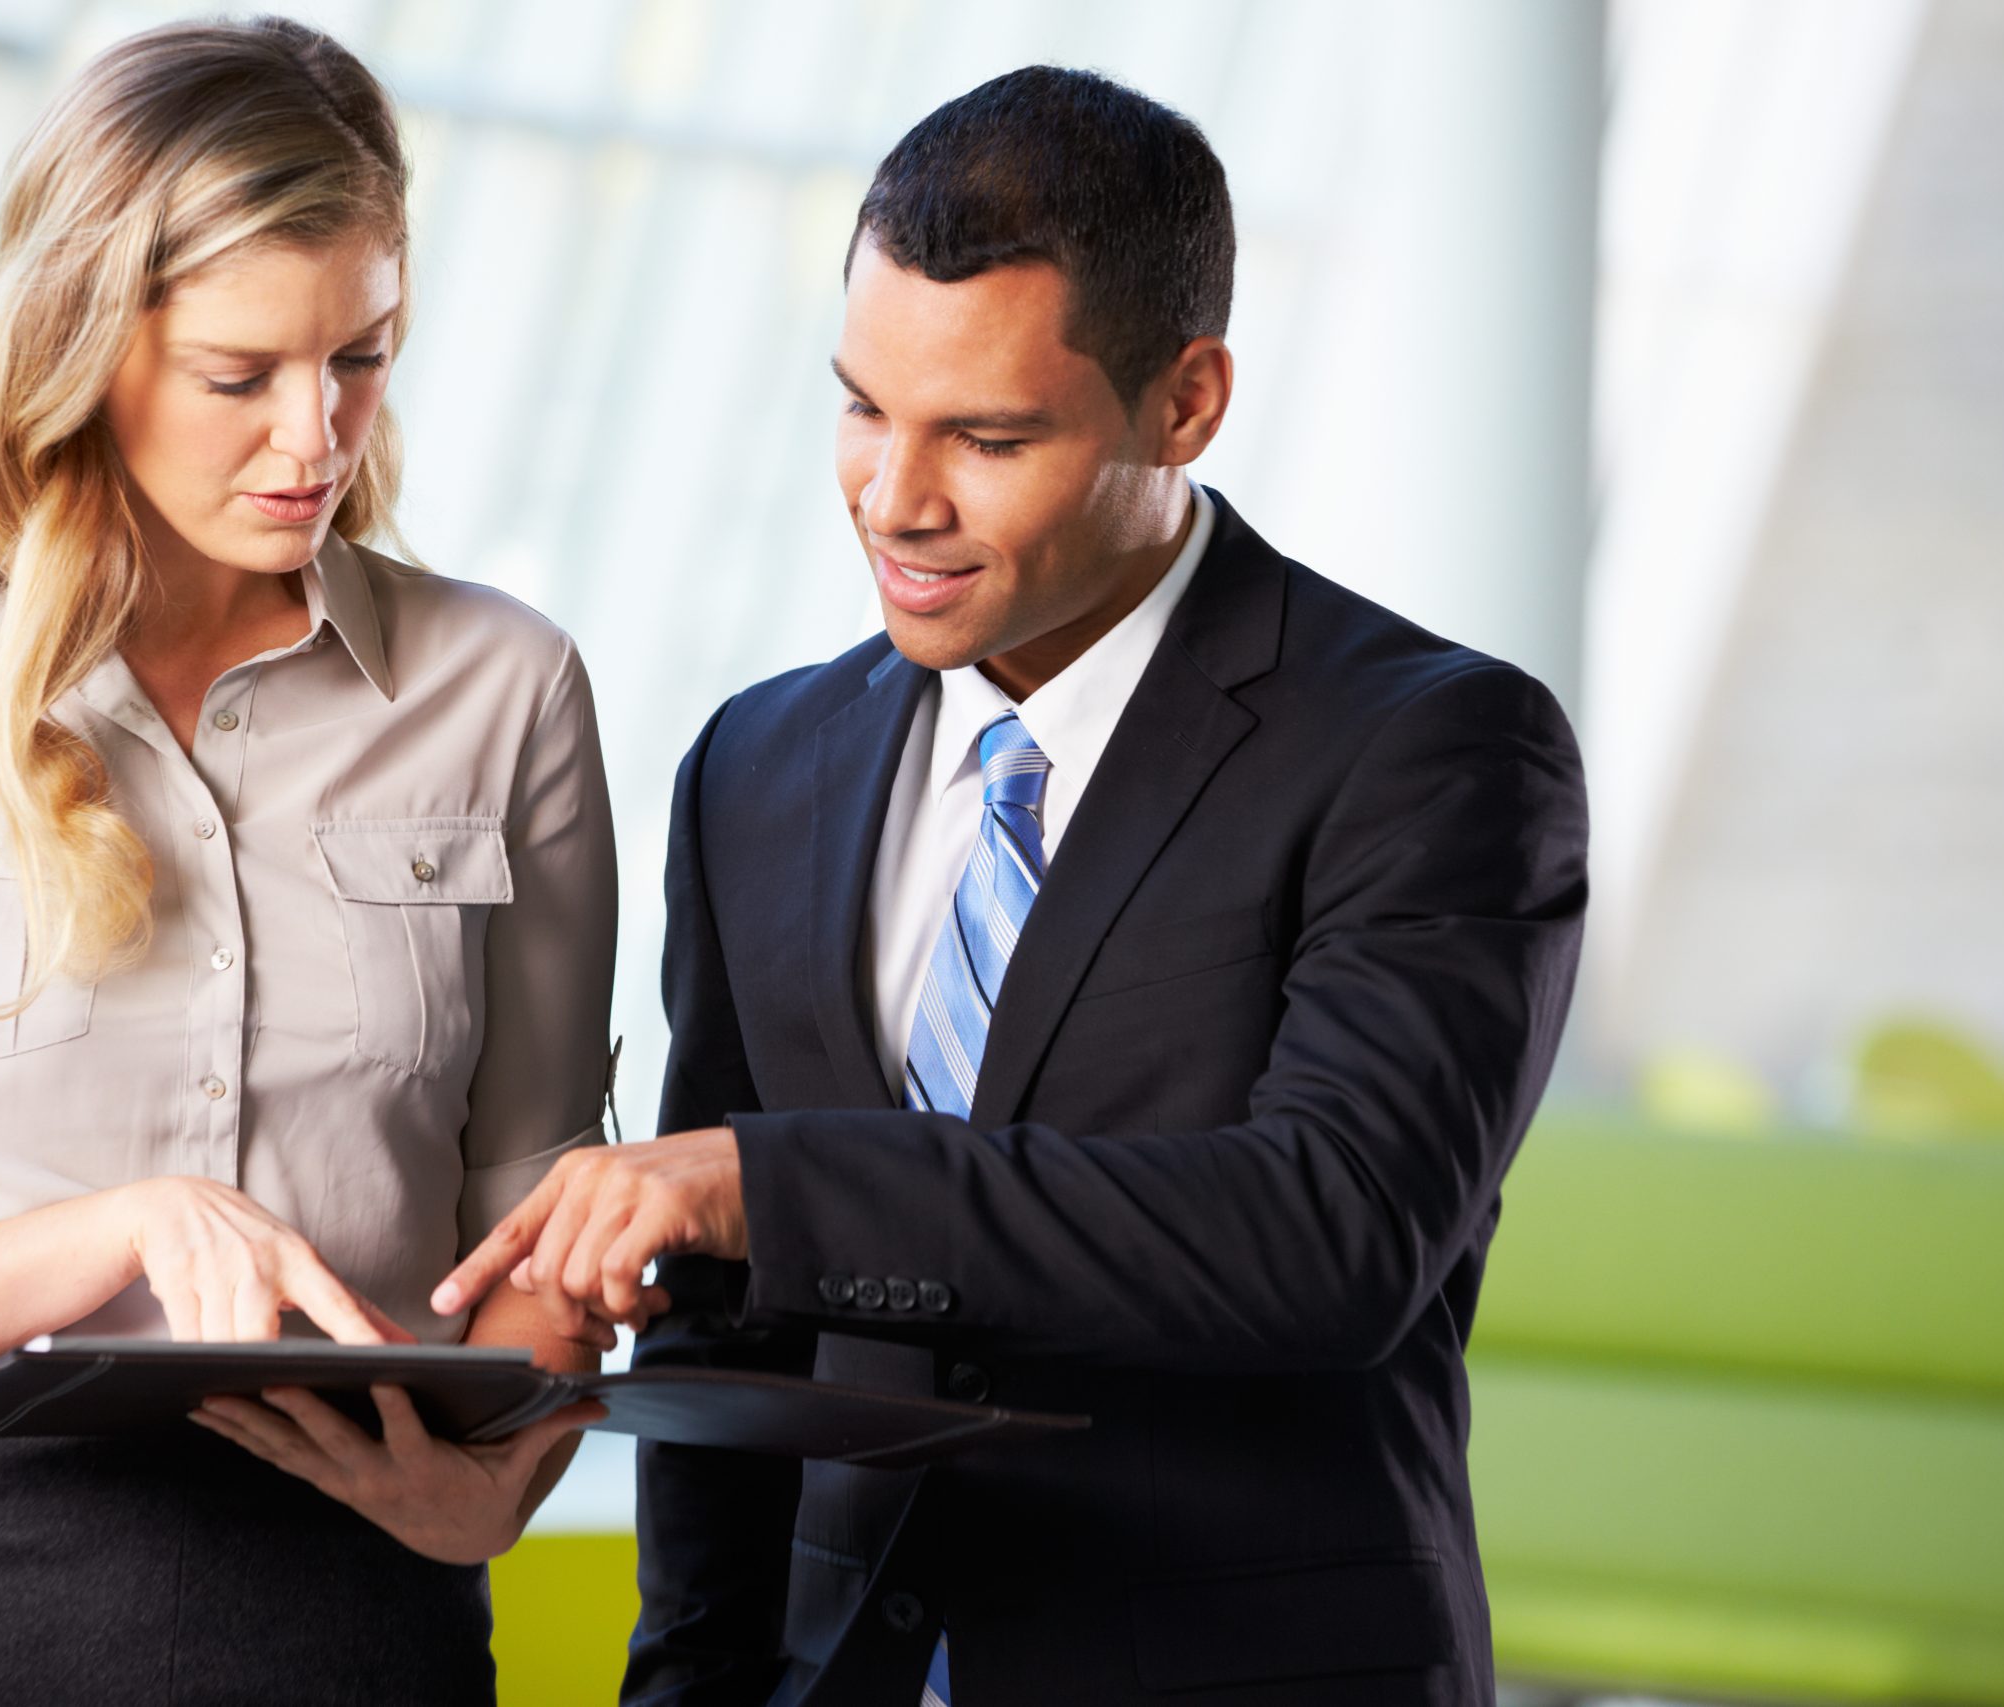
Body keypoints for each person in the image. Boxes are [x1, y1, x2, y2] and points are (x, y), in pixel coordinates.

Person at [435, 66, 1591, 1706]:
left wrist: (777, 1187)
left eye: (986, 437)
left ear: (1184, 404)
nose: (895, 501)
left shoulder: (1429, 748)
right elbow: (723, 1331)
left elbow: (1331, 1235)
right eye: (863, 408)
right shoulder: (758, 766)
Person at [0, 19, 614, 1704]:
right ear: (82, 344)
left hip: (357, 1628)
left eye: (361, 357)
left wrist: (498, 1489)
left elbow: (539, 1234)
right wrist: (124, 1232)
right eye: (240, 376)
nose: (314, 438)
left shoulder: (504, 691)